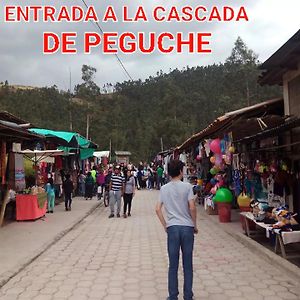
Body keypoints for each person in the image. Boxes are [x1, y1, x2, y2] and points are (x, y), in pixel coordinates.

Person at [155, 160, 198, 300]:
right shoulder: (187, 187)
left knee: (173, 265)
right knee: (188, 264)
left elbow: (157, 209)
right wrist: (194, 224)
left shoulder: (164, 188)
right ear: (180, 171)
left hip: (172, 228)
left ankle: (173, 296)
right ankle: (188, 296)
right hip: (187, 228)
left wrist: (165, 225)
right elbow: (192, 207)